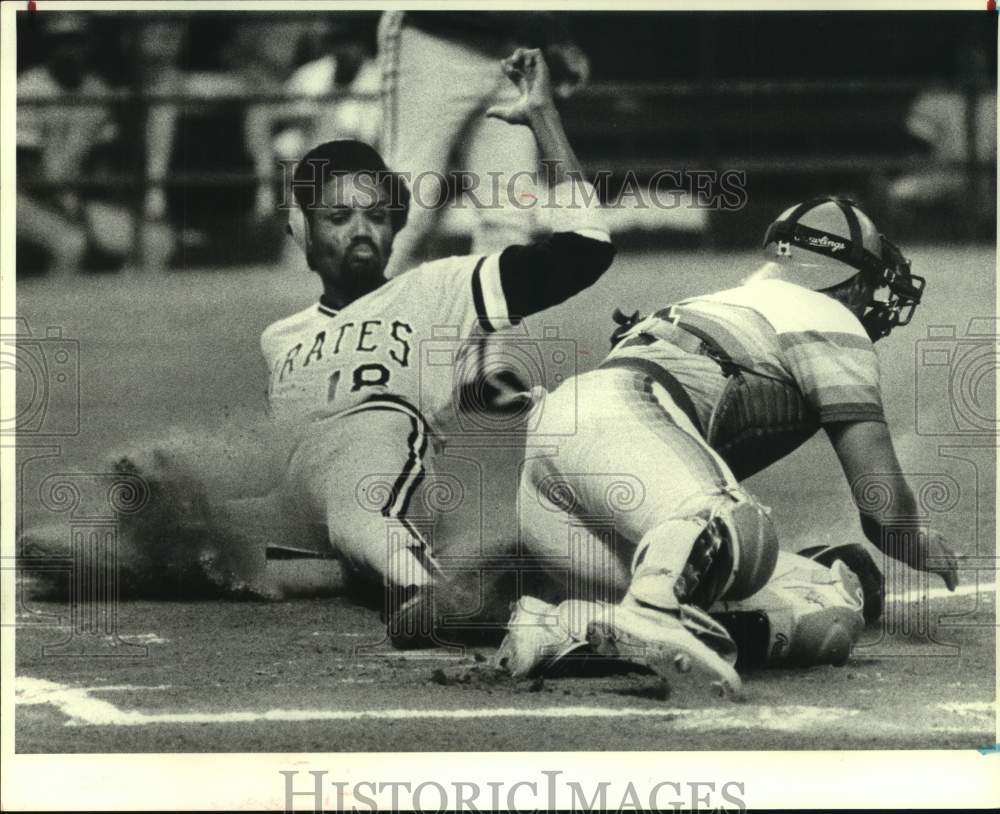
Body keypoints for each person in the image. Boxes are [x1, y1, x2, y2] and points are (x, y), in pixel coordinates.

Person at [495, 197, 961, 698]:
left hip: (569, 480)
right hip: (614, 418)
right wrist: (917, 538)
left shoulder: (726, 301)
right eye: (870, 284)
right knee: (739, 522)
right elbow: (882, 509)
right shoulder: (827, 315)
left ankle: (566, 630)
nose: (873, 299)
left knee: (829, 610)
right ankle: (651, 608)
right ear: (848, 280)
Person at [260, 48, 614, 646]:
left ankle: (440, 596)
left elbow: (586, 249)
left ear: (398, 225)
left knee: (364, 490)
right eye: (338, 216)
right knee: (194, 533)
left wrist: (545, 121)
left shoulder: (441, 287)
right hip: (309, 497)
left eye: (376, 214)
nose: (361, 228)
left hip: (382, 452)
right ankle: (499, 565)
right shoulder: (277, 340)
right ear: (302, 231)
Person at [377, 11, 590, 278]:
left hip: (513, 51)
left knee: (511, 212)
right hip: (434, 38)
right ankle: (353, 314)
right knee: (408, 202)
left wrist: (558, 36)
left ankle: (487, 319)